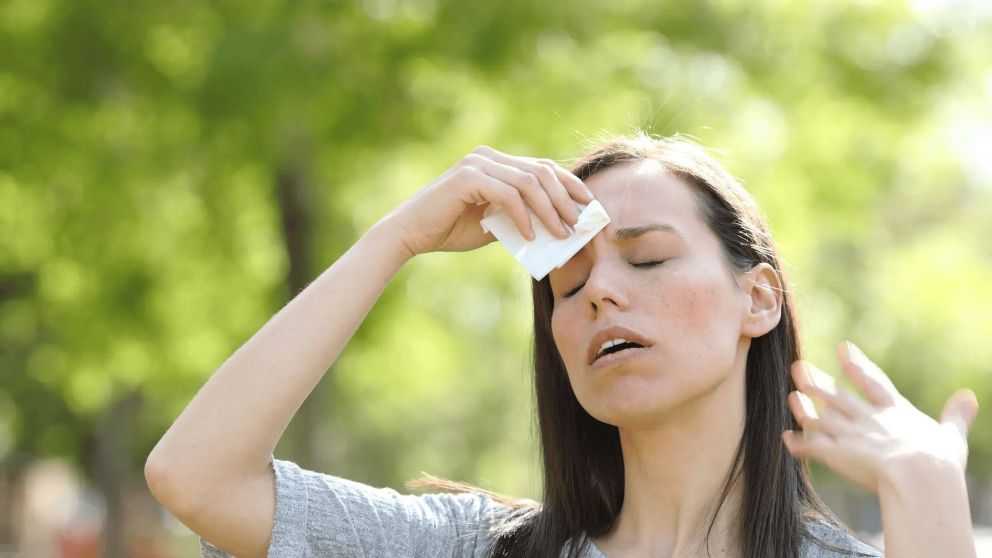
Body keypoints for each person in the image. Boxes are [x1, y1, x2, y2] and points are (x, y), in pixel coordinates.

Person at [144, 132, 979, 558]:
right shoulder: (477, 548)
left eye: (646, 258)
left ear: (757, 298)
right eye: (567, 287)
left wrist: (932, 501)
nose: (602, 293)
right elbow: (197, 476)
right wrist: (395, 239)